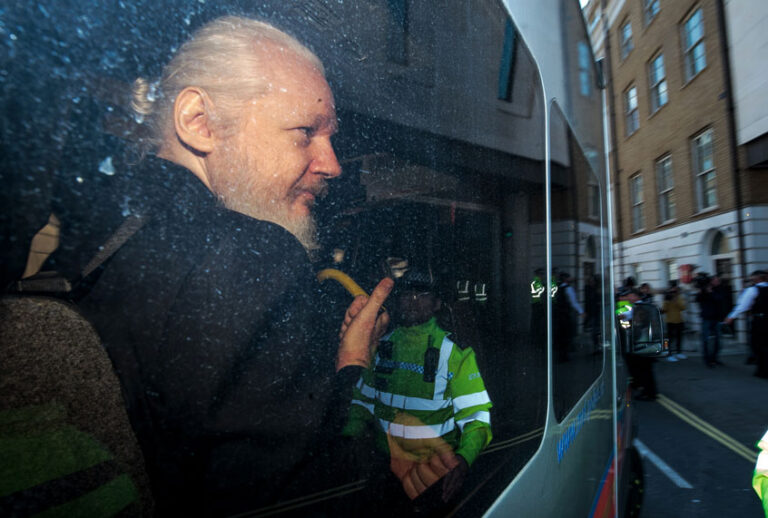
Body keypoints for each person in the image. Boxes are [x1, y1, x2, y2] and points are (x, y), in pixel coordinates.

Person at [79, 16, 393, 516]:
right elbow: (305, 495)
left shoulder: (94, 234)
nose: (332, 163)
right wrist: (353, 369)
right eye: (305, 132)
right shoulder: (253, 253)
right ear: (199, 123)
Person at [343, 268, 492, 512]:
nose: (412, 301)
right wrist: (351, 436)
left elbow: (477, 418)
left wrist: (463, 460)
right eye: (407, 294)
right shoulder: (382, 345)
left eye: (422, 295)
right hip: (384, 468)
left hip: (432, 472)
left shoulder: (455, 354)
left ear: (436, 304)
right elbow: (363, 399)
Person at [724, 270, 768, 378]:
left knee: (759, 345)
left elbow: (743, 306)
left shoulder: (753, 290)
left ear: (756, 279)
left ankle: (763, 370)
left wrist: (731, 316)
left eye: (752, 278)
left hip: (760, 321)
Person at [617, 286, 657, 400]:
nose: (628, 297)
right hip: (645, 342)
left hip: (643, 342)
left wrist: (624, 320)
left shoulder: (640, 307)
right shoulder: (639, 306)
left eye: (630, 295)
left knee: (645, 369)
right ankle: (646, 389)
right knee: (644, 368)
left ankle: (649, 393)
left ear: (635, 296)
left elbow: (637, 323)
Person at [553, 272, 584, 362]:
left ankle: (561, 354)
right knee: (566, 335)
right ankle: (565, 355)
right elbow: (573, 302)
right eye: (569, 277)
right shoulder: (568, 288)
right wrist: (581, 311)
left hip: (559, 315)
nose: (571, 279)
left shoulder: (558, 288)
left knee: (561, 336)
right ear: (566, 279)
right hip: (566, 315)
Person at [695, 273, 724, 367]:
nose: (717, 282)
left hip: (717, 318)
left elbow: (720, 299)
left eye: (718, 280)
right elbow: (697, 300)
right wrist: (701, 291)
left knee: (718, 341)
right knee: (706, 340)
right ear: (711, 281)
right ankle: (707, 360)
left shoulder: (719, 289)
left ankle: (714, 358)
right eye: (715, 280)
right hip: (706, 318)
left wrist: (711, 292)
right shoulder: (704, 290)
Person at [662, 281, 686, 362]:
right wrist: (667, 301)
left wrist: (675, 300)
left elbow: (683, 307)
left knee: (679, 337)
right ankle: (668, 353)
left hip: (679, 320)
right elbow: (664, 309)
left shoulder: (679, 297)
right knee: (668, 339)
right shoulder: (667, 297)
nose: (673, 292)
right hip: (670, 321)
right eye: (672, 290)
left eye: (675, 290)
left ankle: (678, 352)